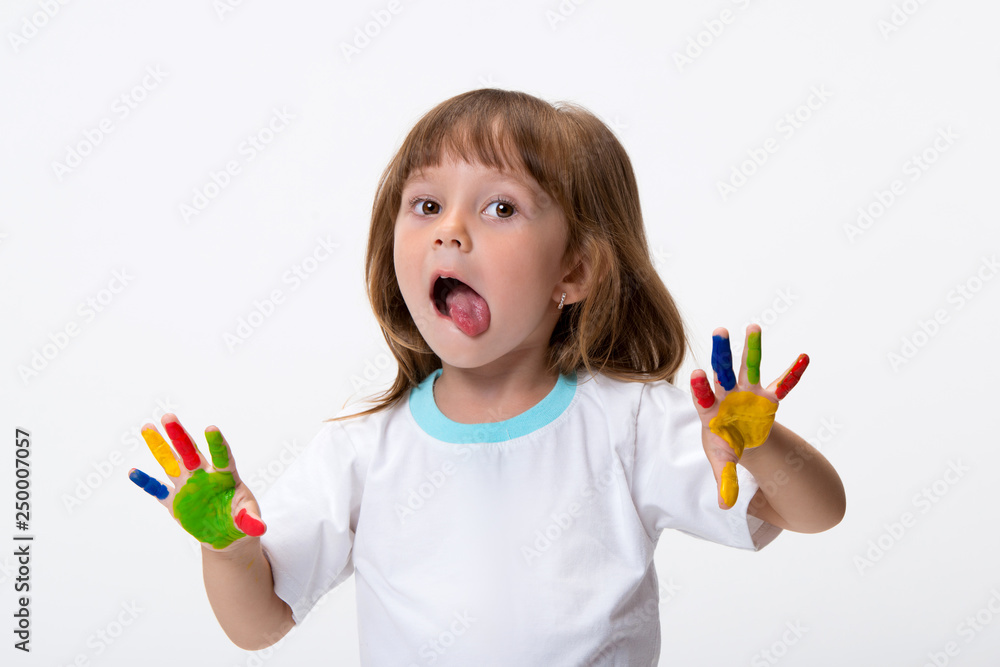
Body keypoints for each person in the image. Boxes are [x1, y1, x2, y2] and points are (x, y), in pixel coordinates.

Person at [128, 88, 845, 665]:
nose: (451, 229)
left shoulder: (626, 421)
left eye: (500, 206)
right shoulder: (364, 444)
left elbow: (817, 512)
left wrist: (760, 444)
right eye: (427, 204)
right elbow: (258, 626)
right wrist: (227, 548)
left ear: (574, 270)